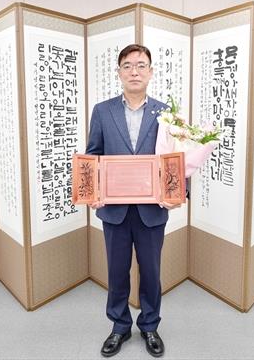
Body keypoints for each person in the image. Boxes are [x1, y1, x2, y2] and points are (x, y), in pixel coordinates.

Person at [86, 44, 181, 357]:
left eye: (141, 65)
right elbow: (93, 155)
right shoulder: (103, 111)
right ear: (119, 73)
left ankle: (150, 325)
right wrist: (91, 191)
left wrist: (178, 192)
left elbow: (178, 158)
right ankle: (120, 326)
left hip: (152, 210)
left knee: (151, 272)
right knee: (117, 272)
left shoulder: (166, 113)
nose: (134, 71)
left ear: (151, 72)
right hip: (114, 210)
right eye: (127, 66)